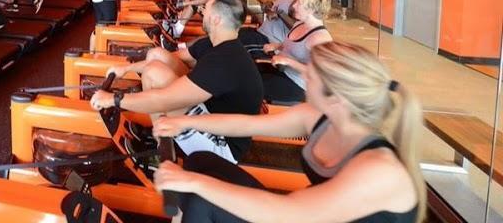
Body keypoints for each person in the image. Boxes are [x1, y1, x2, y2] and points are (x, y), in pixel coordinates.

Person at [153, 41, 424, 223]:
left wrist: (192, 182)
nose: (303, 78)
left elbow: (291, 213)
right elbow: (246, 124)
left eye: (310, 76)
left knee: (201, 199)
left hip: (296, 215)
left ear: (337, 98)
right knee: (201, 160)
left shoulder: (380, 170)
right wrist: (186, 123)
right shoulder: (320, 118)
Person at [91, 0, 263, 163]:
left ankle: (162, 146)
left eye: (206, 9)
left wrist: (112, 100)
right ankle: (162, 135)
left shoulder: (225, 60)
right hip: (210, 113)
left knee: (153, 73)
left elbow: (165, 99)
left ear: (216, 19)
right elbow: (166, 58)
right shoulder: (215, 44)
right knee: (157, 55)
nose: (202, 12)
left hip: (223, 146)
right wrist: (125, 69)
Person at [260, 0, 332, 103]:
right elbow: (293, 45)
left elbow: (319, 73)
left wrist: (288, 61)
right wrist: (278, 46)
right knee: (248, 72)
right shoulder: (299, 24)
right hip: (282, 71)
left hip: (297, 85)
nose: (293, 6)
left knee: (250, 85)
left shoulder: (320, 38)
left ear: (311, 10)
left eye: (299, 3)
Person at [238, 0, 309, 53]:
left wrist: (280, 14)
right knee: (235, 33)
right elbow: (273, 15)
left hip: (269, 41)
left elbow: (298, 27)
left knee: (236, 40)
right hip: (261, 34)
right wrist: (267, 9)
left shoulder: (295, 4)